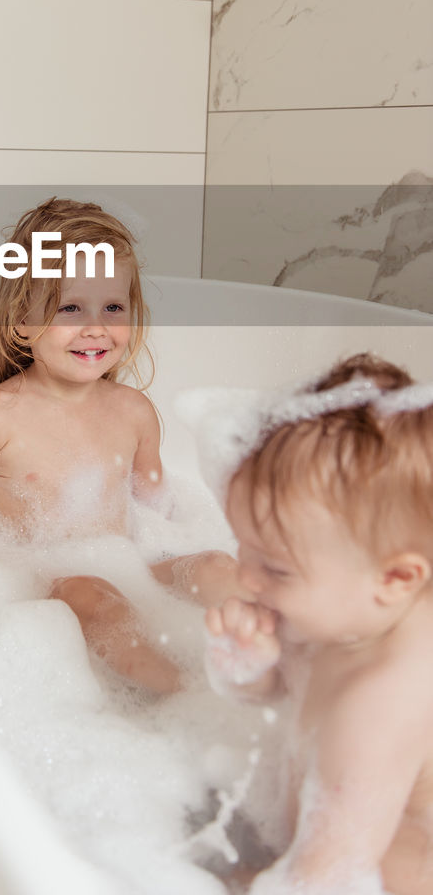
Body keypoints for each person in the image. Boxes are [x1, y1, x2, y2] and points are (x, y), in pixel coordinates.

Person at [0, 196, 239, 694]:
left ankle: (283, 667)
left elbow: (155, 508)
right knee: (94, 596)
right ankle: (180, 699)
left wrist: (182, 552)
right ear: (22, 321)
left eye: (113, 307)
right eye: (70, 307)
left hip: (131, 559)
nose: (95, 326)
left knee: (216, 567)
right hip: (41, 580)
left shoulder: (134, 412)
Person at [201, 353, 433, 894]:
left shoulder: (381, 703)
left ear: (396, 578)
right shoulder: (344, 608)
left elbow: (326, 876)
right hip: (309, 844)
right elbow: (284, 689)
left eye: (275, 567)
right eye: (244, 551)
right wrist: (251, 668)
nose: (247, 578)